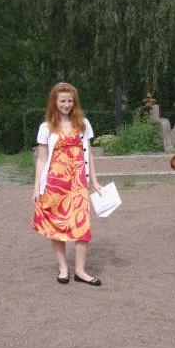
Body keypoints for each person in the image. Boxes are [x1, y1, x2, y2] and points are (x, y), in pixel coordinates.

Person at [32, 82, 103, 286]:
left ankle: (80, 271)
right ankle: (63, 268)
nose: (66, 104)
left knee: (83, 226)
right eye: (62, 101)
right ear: (54, 102)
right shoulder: (46, 127)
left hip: (78, 183)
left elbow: (89, 154)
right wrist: (36, 188)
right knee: (57, 225)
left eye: (70, 101)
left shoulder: (83, 123)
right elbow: (41, 159)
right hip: (54, 184)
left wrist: (95, 182)